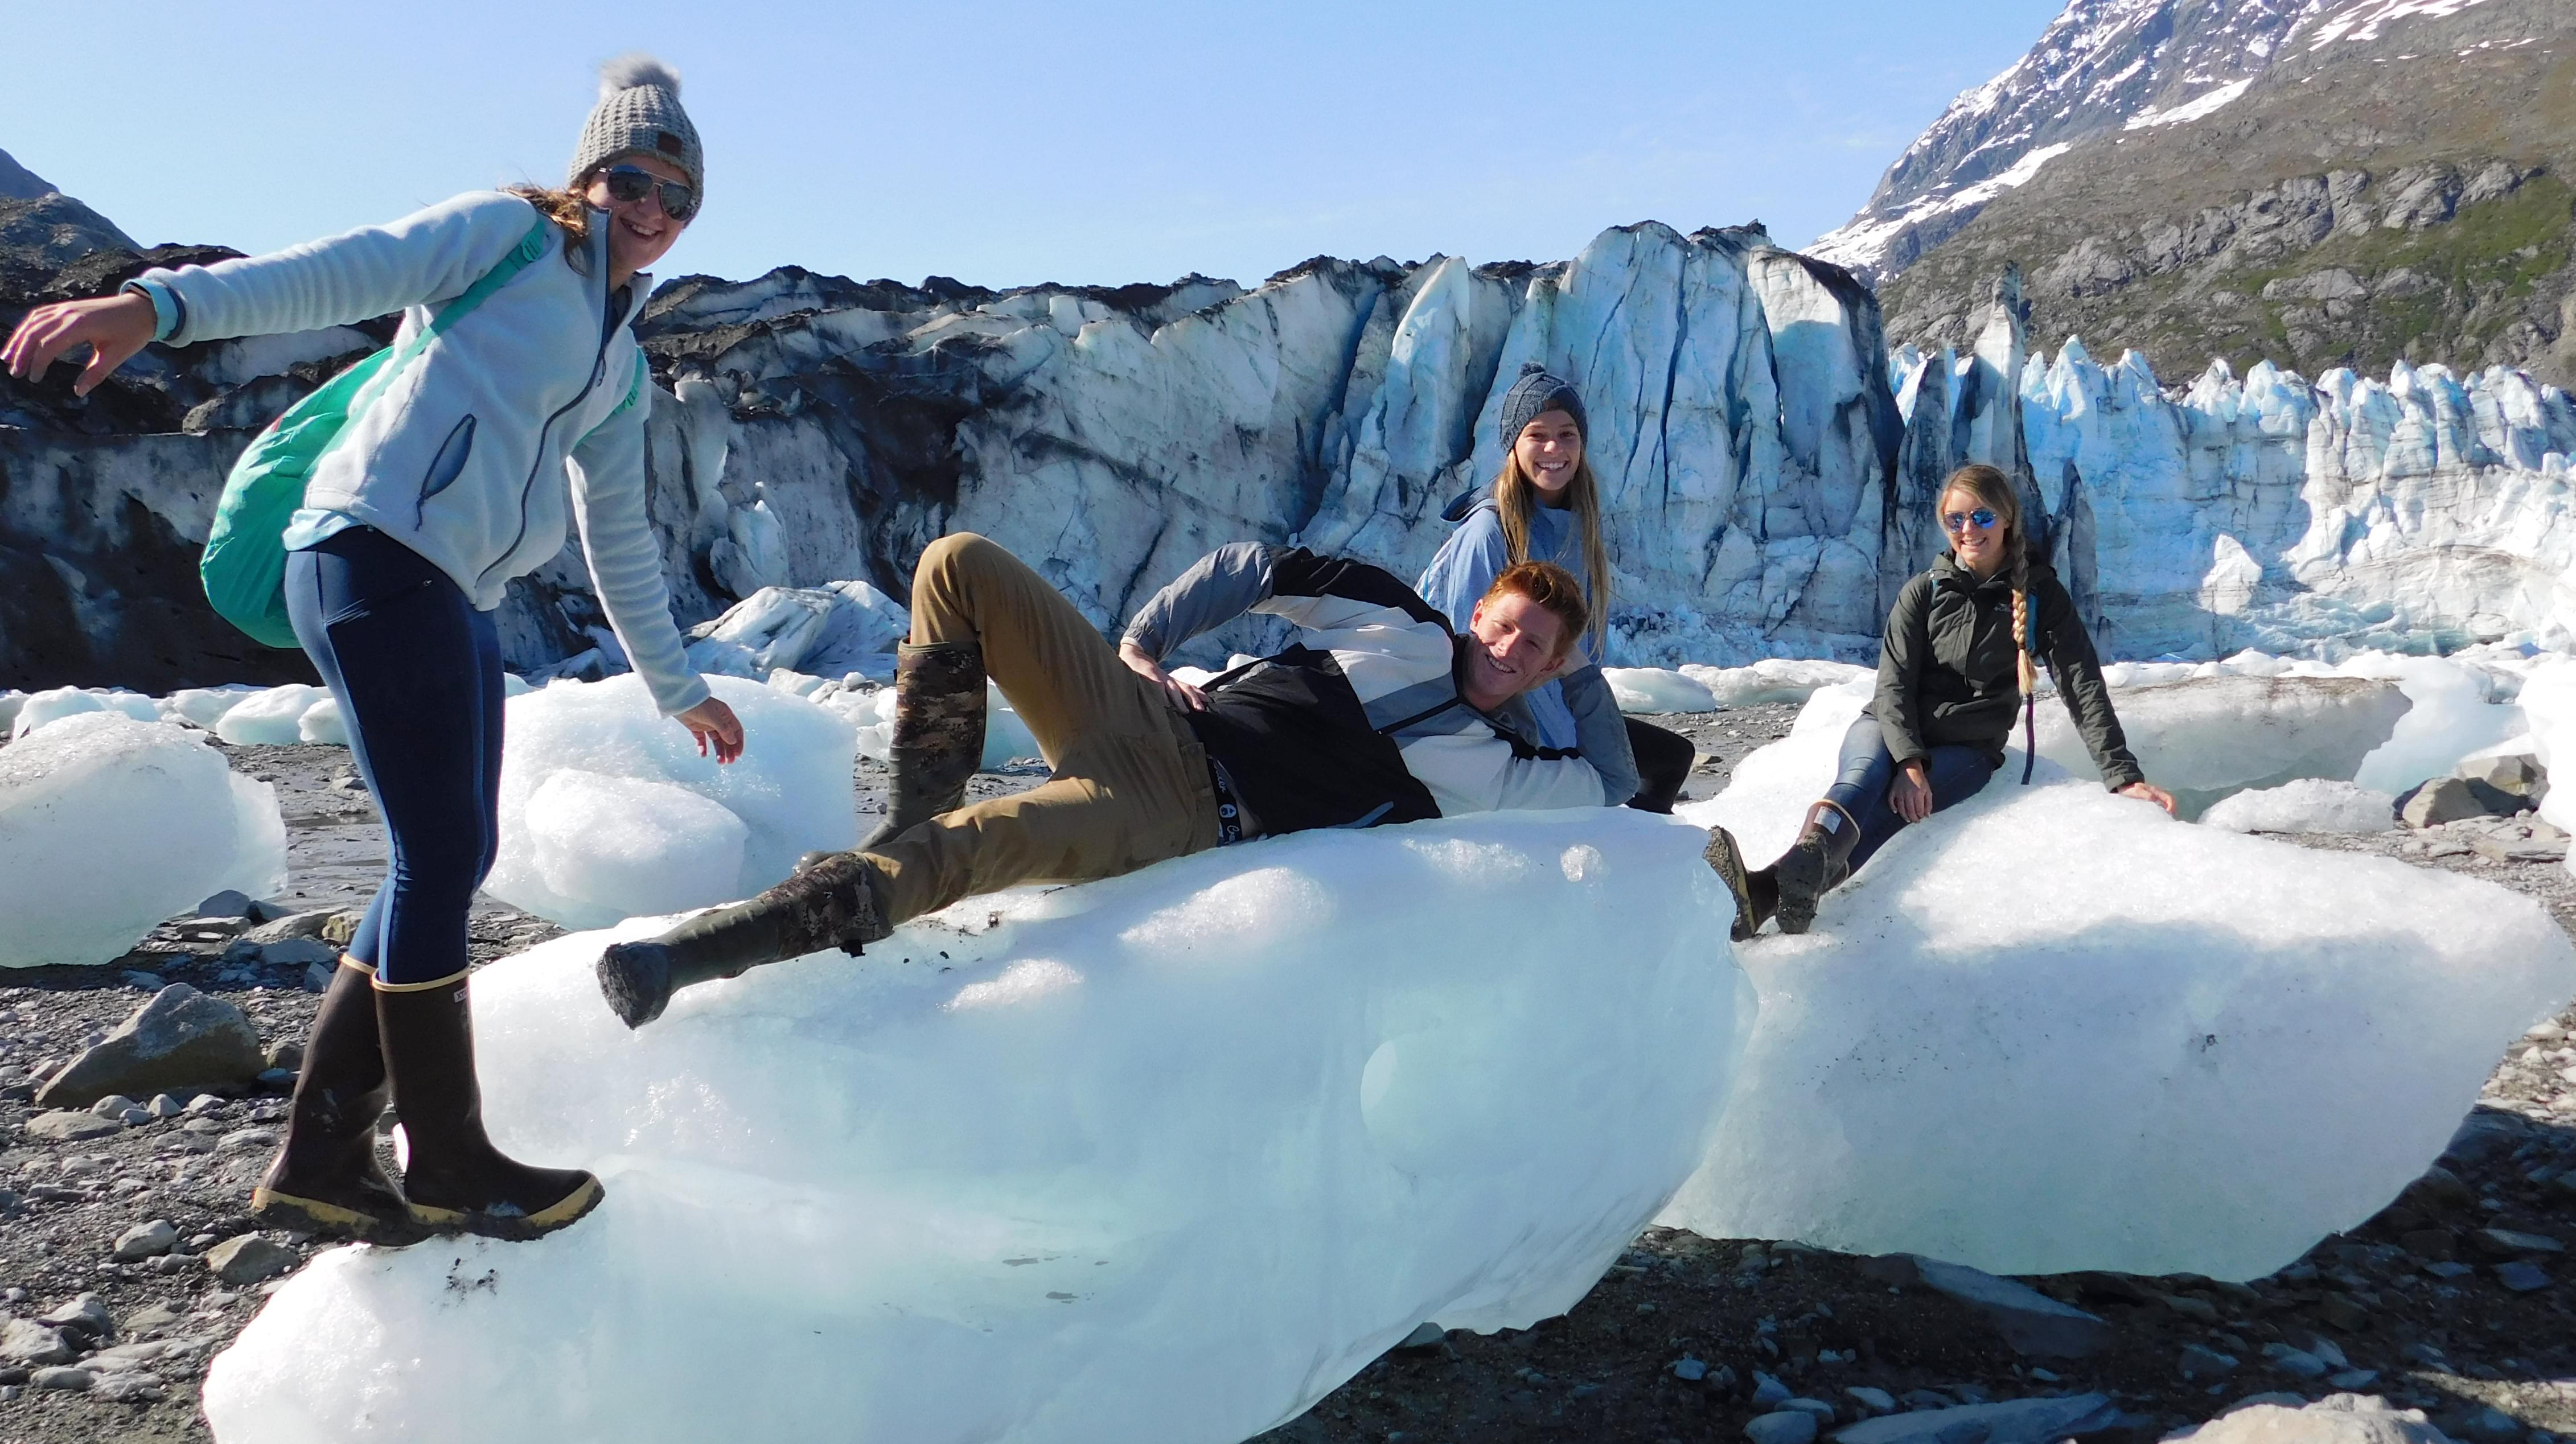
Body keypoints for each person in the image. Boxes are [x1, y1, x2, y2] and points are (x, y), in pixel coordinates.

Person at [0, 56, 746, 1244]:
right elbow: (331, 272)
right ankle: (447, 1156)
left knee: (450, 851)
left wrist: (680, 687)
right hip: (366, 545)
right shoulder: (502, 239)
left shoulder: (624, 365)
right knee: (438, 848)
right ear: (587, 176)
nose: (649, 209)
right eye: (630, 178)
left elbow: (623, 535)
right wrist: (158, 306)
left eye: (676, 196)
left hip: (456, 586)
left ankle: (320, 1158)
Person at [595, 531, 1626, 1027]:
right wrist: (1142, 645)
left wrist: (1583, 680)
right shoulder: (1400, 622)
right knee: (957, 565)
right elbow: (1255, 567)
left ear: (1546, 668)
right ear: (1476, 610)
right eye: (1501, 623)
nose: (1506, 647)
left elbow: (1613, 783)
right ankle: (908, 820)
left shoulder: (1497, 773)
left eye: (1533, 649)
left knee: (978, 849)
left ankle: (699, 955)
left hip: (1174, 810)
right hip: (1144, 712)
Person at [1723, 461, 2176, 939]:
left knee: (1888, 813)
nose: (1968, 530)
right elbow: (1893, 683)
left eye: (1982, 517)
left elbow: (2082, 684)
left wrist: (2123, 776)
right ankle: (1791, 879)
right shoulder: (1924, 591)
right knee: (1858, 784)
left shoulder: (2042, 597)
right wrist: (1910, 762)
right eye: (1956, 519)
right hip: (1890, 726)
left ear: (2007, 520)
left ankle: (1765, 893)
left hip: (1967, 749)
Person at [1416, 364, 1695, 813]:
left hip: (1554, 705)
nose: (1554, 449)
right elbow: (1464, 651)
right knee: (1618, 779)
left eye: (1567, 435)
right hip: (1505, 718)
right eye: (1537, 435)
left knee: (1671, 758)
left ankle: (1648, 865)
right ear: (1513, 445)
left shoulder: (1577, 524)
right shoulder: (1490, 530)